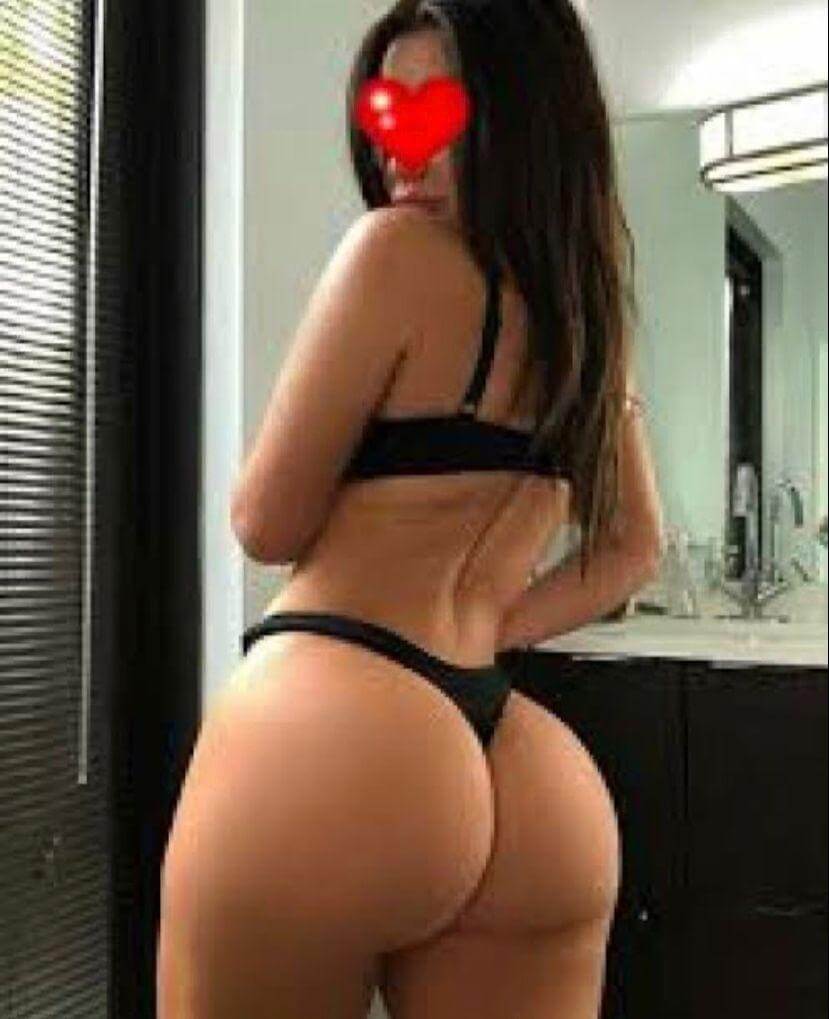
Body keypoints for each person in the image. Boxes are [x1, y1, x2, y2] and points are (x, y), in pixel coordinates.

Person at [156, 0, 665, 1016]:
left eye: (443, 113)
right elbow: (630, 550)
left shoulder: (390, 254)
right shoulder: (585, 323)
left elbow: (264, 522)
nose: (401, 149)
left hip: (334, 731)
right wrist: (477, 630)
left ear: (522, 123)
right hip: (524, 770)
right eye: (387, 114)